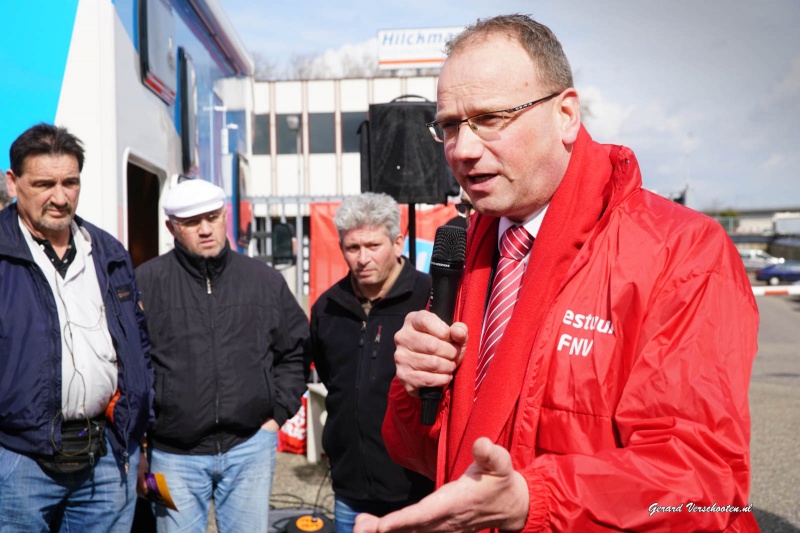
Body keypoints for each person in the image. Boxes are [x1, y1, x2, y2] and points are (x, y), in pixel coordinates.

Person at [355, 14, 758, 533]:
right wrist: (413, 390)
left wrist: (535, 501)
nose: (463, 149)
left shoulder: (682, 252)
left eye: (490, 118)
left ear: (566, 114)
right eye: (450, 125)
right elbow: (425, 456)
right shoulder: (468, 251)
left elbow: (706, 487)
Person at [0, 123, 153, 532]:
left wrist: (134, 430)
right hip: (16, 460)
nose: (60, 196)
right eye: (44, 183)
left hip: (104, 456)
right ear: (13, 183)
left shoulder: (108, 253)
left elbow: (138, 345)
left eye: (70, 182)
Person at [135, 178, 309, 533]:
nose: (205, 229)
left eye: (212, 217)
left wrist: (276, 417)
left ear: (225, 215)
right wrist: (140, 446)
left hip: (250, 449)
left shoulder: (264, 281)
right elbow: (129, 367)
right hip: (170, 457)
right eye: (191, 222)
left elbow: (295, 351)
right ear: (171, 227)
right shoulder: (144, 283)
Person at [309, 192, 434, 532]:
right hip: (351, 488)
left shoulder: (431, 299)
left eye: (372, 246)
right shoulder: (327, 308)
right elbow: (330, 378)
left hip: (417, 487)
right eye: (353, 248)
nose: (362, 258)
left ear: (398, 243)